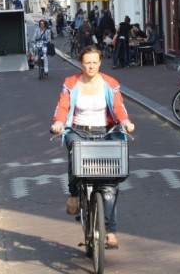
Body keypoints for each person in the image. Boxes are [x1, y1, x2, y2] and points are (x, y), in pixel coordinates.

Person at [51, 45, 135, 249]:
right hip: (78, 130)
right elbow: (63, 106)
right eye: (87, 62)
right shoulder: (71, 83)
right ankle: (74, 194)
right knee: (75, 149)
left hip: (104, 131)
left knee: (109, 184)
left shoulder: (109, 83)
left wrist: (125, 122)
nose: (91, 66)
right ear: (81, 63)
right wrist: (59, 123)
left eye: (95, 63)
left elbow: (118, 107)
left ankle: (110, 231)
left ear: (100, 63)